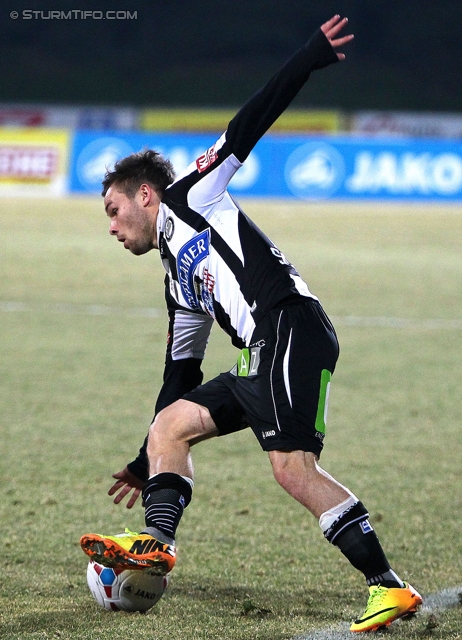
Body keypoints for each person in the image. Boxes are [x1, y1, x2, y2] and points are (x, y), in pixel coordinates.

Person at [80, 15, 422, 632]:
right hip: (257, 354)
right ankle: (157, 542)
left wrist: (308, 57)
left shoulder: (192, 195)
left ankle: (388, 586)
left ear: (146, 196)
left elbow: (248, 123)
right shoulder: (176, 278)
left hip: (291, 328)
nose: (111, 227)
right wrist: (143, 458)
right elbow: (178, 374)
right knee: (169, 427)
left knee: (292, 470)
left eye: (113, 210)